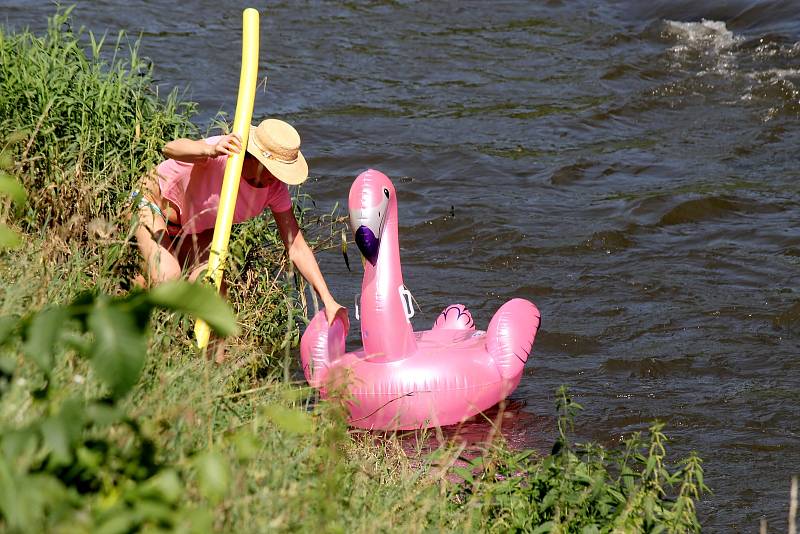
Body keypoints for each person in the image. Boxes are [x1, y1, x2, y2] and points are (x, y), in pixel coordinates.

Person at [132, 118, 343, 326]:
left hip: (195, 231)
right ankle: (126, 299)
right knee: (167, 276)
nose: (276, 178)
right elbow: (170, 148)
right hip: (151, 204)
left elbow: (296, 246)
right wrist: (209, 150)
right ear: (253, 158)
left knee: (215, 297)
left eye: (281, 173)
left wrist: (328, 299)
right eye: (272, 170)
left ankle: (212, 360)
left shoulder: (275, 189)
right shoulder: (225, 153)